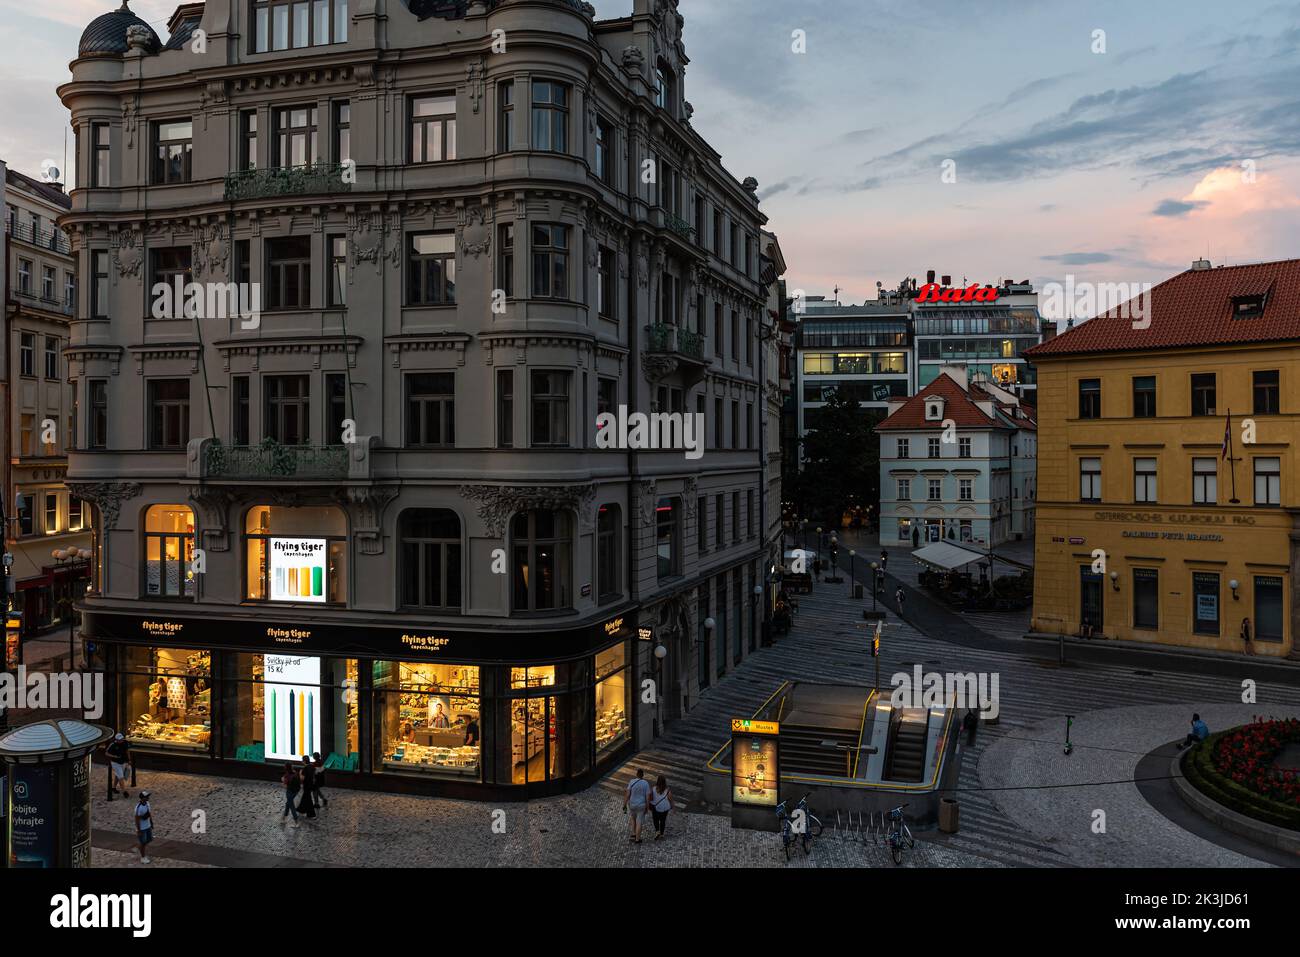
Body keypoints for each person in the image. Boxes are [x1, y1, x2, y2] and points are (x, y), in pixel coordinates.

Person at [624, 767, 651, 844]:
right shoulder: (645, 783)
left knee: (633, 818)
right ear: (643, 775)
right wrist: (647, 807)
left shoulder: (632, 781)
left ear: (636, 774)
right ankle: (637, 839)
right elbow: (648, 797)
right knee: (639, 821)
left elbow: (628, 793)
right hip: (641, 805)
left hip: (632, 804)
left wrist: (624, 804)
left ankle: (633, 834)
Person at [106, 732, 132, 798]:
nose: (121, 740)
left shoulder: (125, 742)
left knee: (118, 775)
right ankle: (124, 791)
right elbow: (106, 753)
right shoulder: (113, 745)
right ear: (116, 740)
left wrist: (129, 760)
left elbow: (127, 751)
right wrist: (114, 756)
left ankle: (113, 788)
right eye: (120, 740)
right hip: (115, 763)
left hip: (123, 762)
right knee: (121, 777)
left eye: (122, 739)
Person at [650, 775, 674, 840]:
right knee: (663, 820)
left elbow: (651, 798)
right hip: (665, 808)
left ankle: (657, 831)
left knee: (655, 819)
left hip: (655, 807)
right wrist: (673, 807)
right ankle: (662, 834)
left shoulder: (654, 788)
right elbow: (671, 799)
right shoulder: (667, 790)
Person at [134, 790, 153, 864]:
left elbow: (149, 813)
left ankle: (139, 847)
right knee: (143, 843)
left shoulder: (147, 803)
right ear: (142, 798)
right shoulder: (138, 808)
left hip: (147, 826)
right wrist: (139, 830)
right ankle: (143, 857)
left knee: (149, 839)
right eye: (146, 797)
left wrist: (151, 822)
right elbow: (137, 820)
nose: (148, 797)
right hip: (142, 828)